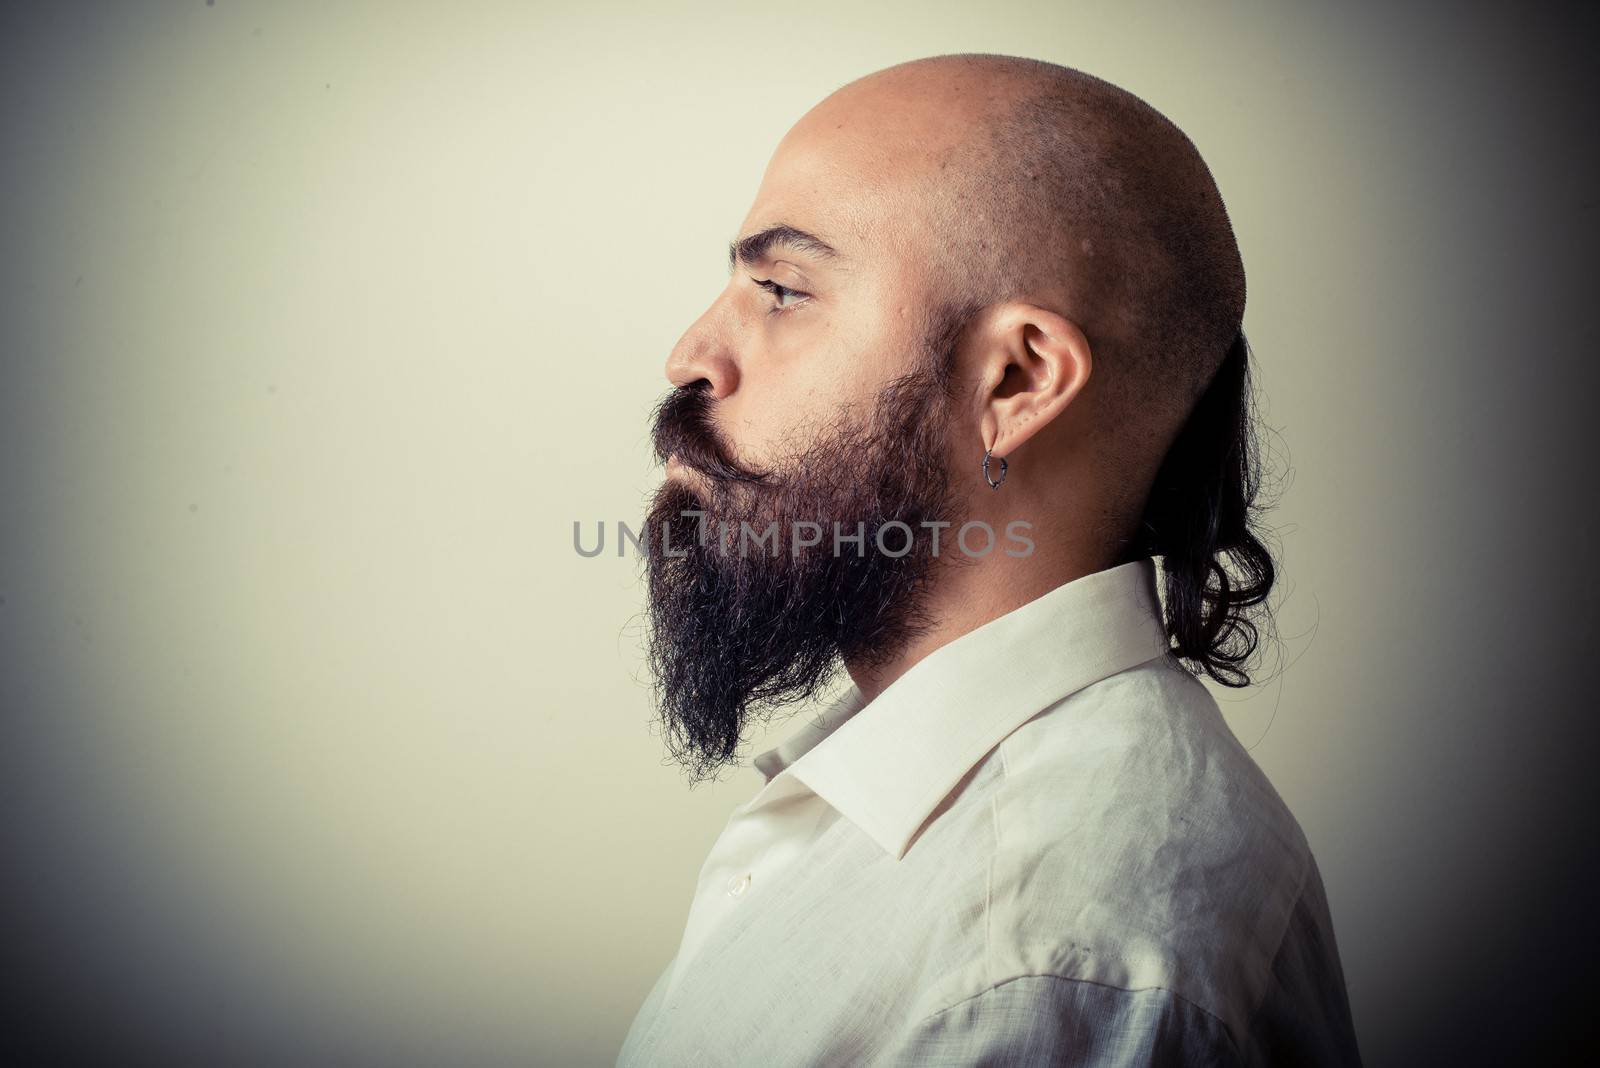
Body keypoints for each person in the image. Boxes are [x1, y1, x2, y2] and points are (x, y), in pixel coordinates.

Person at [621, 52, 1362, 1066]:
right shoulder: (924, 821)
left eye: (782, 289)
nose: (691, 357)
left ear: (1015, 380)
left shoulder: (1047, 960)